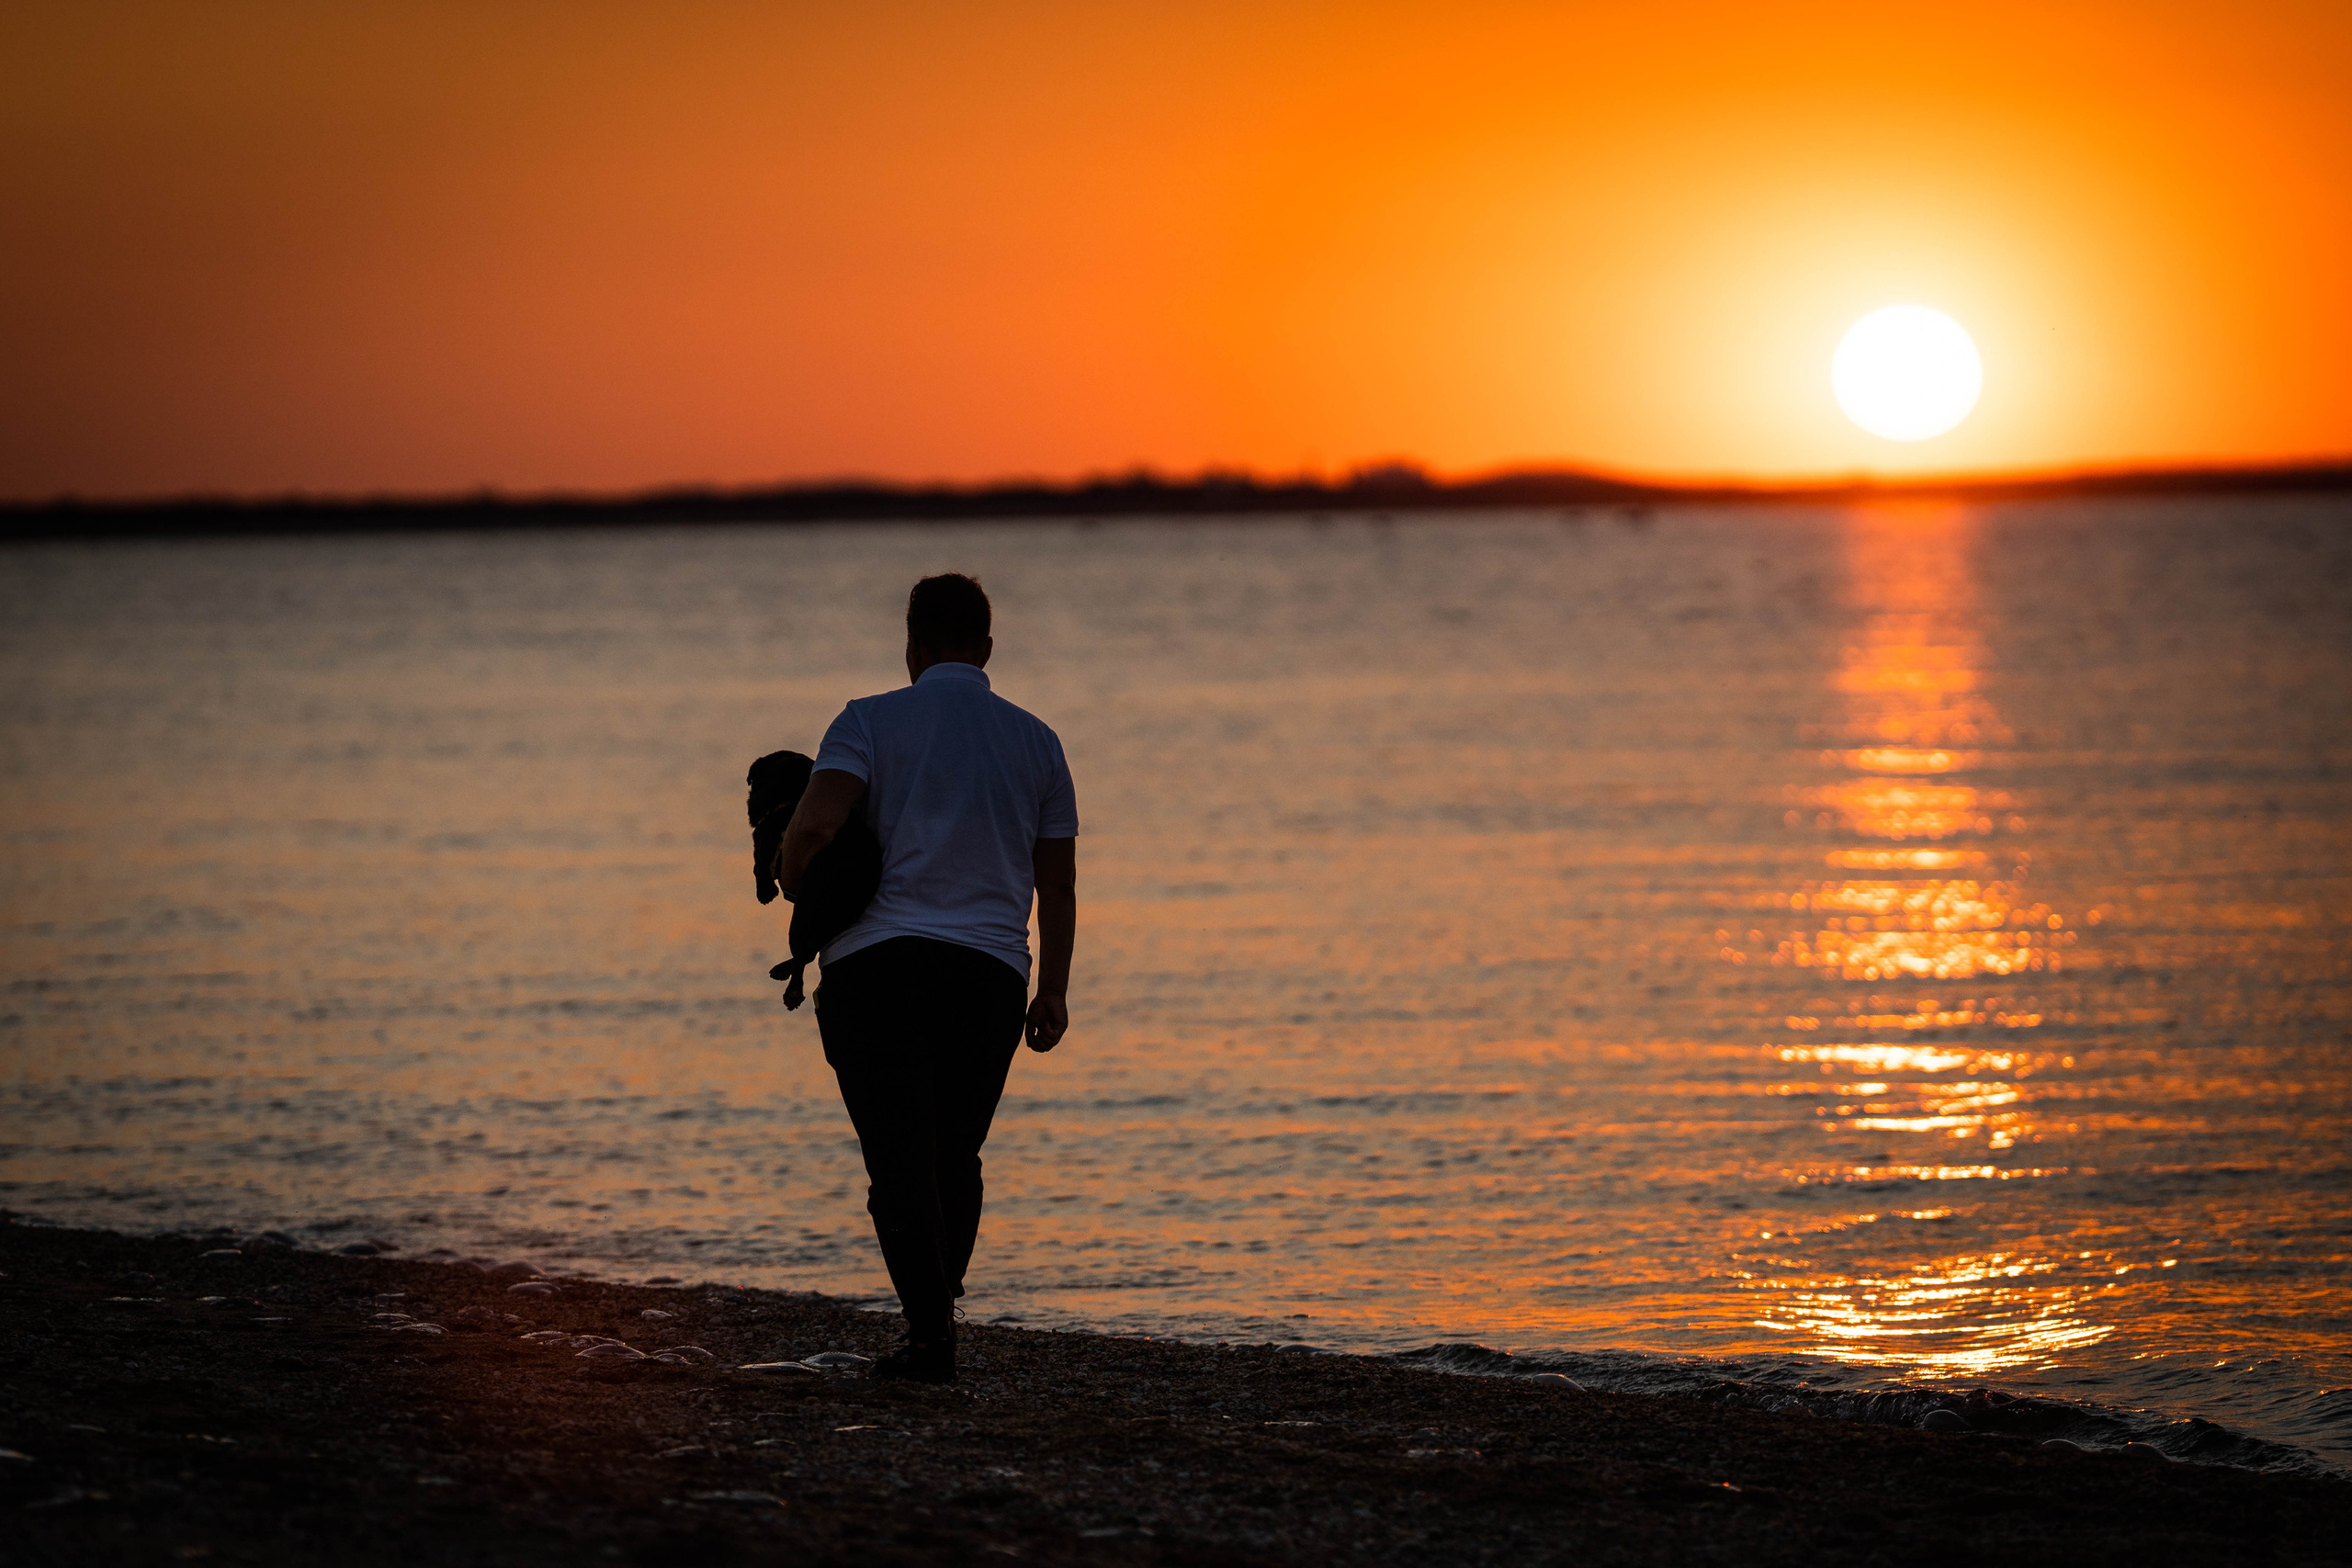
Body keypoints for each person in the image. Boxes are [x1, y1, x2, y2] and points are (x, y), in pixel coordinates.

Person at [774, 572, 1078, 1383]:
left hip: (878, 969)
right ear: (985, 648)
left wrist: (795, 879)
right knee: (955, 1157)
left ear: (910, 646)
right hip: (988, 977)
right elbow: (1058, 882)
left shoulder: (868, 720)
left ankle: (930, 1335)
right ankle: (936, 1314)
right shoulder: (1038, 741)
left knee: (899, 1161)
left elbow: (815, 825)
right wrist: (1054, 987)